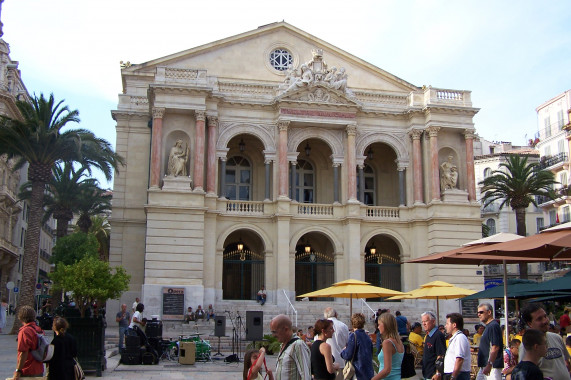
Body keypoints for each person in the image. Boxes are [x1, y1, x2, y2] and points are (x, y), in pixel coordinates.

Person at [517, 303, 571, 379]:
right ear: (530, 324)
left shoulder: (557, 337)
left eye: (545, 316)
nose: (545, 321)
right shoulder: (527, 346)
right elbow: (524, 373)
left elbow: (566, 361)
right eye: (539, 319)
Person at [270, 314, 311, 380]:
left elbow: (306, 376)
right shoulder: (284, 345)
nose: (273, 335)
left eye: (275, 332)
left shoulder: (298, 345)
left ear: (286, 329)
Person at [14, 305, 45, 379]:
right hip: (39, 368)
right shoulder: (38, 329)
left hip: (27, 369)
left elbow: (23, 352)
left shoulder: (25, 331)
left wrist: (18, 371)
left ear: (21, 317)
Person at [341, 313, 374, 380]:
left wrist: (343, 351)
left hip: (357, 371)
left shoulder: (353, 336)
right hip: (368, 371)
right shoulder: (367, 337)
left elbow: (348, 355)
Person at [372, 312, 404, 380]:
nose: (378, 327)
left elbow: (387, 370)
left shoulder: (387, 343)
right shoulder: (399, 341)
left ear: (385, 325)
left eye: (379, 324)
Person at [476, 303, 503, 380]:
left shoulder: (493, 326)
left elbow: (495, 346)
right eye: (478, 313)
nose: (479, 314)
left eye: (481, 312)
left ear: (489, 312)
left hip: (492, 366)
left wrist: (490, 364)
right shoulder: (488, 326)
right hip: (485, 365)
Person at [443, 313, 471, 380]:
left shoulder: (460, 338)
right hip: (452, 373)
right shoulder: (454, 338)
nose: (445, 326)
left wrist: (453, 376)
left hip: (459, 374)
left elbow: (459, 359)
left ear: (454, 325)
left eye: (447, 323)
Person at [324, 306, 349, 379]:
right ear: (336, 314)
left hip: (326, 362)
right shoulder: (343, 325)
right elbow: (347, 342)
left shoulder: (322, 326)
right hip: (341, 360)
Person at [421, 311, 446, 380]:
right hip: (427, 372)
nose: (424, 324)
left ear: (433, 321)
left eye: (426, 321)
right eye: (422, 321)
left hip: (433, 375)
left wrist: (438, 373)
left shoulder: (438, 335)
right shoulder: (429, 335)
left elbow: (440, 355)